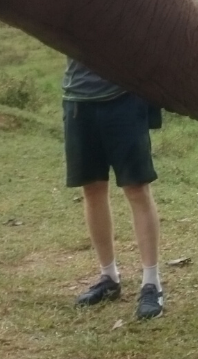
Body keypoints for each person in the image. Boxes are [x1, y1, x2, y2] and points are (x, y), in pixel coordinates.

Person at [64, 59, 165, 320]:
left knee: (136, 189)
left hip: (124, 99)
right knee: (92, 189)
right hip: (78, 100)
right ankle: (108, 277)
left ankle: (151, 284)